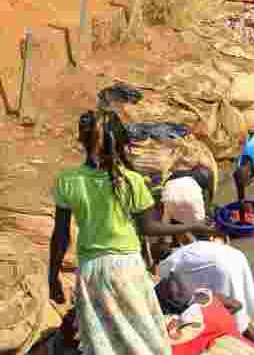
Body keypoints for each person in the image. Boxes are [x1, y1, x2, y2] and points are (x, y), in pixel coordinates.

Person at [49, 110, 218, 355]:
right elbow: (150, 228)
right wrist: (192, 226)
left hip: (92, 273)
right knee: (145, 338)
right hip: (127, 269)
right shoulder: (131, 181)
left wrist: (53, 276)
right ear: (120, 142)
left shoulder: (67, 181)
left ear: (82, 141)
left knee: (104, 343)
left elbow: (60, 236)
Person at [156, 238, 254, 354]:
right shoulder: (208, 303)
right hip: (234, 256)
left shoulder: (167, 334)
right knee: (242, 321)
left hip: (220, 269)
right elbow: (237, 305)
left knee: (240, 324)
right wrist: (217, 314)